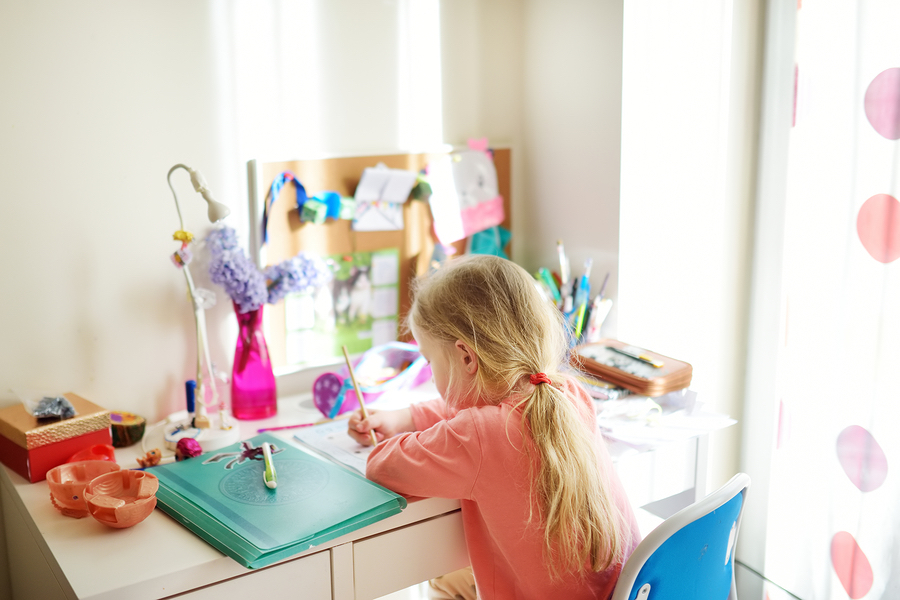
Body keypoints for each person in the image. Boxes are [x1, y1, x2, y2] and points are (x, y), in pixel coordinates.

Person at [348, 255, 640, 600]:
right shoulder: (567, 393)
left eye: (429, 360)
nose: (430, 371)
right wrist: (408, 417)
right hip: (625, 590)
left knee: (440, 581)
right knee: (451, 579)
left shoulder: (479, 436)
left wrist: (414, 431)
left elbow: (382, 465)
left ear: (466, 357)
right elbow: (484, 415)